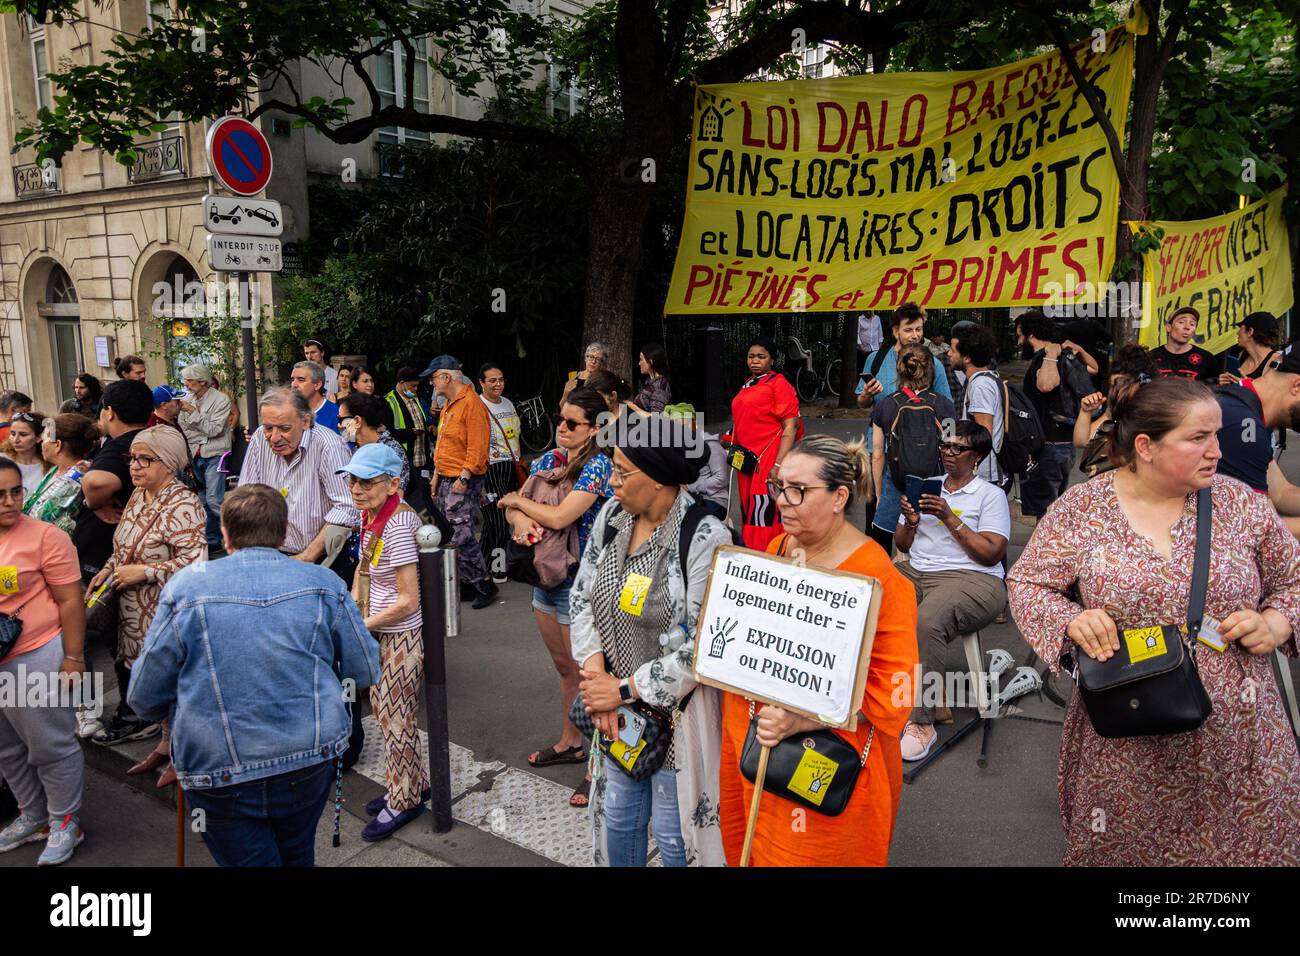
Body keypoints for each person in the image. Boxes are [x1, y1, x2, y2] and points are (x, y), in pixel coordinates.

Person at [1008, 376, 1300, 865]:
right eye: (1198, 437)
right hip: (1126, 744)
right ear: (1145, 445)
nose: (1216, 450)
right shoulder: (1082, 510)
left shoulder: (1241, 505)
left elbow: (1293, 580)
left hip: (1240, 740)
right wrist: (1069, 621)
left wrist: (1277, 622)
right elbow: (1029, 583)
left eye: (1218, 435)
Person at [128, 484, 381, 867]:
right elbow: (364, 667)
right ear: (283, 532)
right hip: (308, 757)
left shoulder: (187, 586)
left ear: (225, 535)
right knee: (297, 853)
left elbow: (143, 696)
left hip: (220, 768)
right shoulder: (324, 584)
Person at [718, 435, 918, 866]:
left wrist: (802, 718)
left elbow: (895, 695)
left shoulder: (880, 581)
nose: (782, 502)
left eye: (799, 491)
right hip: (758, 754)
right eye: (778, 486)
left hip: (825, 768)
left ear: (839, 497)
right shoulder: (776, 549)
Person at [570, 419, 732, 866]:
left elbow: (703, 645)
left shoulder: (705, 537)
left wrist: (621, 690)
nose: (612, 482)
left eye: (622, 472)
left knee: (674, 833)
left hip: (675, 722)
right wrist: (597, 677)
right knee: (618, 820)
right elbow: (582, 597)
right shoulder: (611, 518)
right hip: (615, 717)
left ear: (660, 478)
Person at [498, 388, 612, 808]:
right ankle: (571, 742)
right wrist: (517, 516)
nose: (561, 428)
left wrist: (518, 502)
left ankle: (597, 765)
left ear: (596, 428)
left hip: (580, 581)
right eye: (560, 420)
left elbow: (564, 516)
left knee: (589, 676)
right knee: (565, 668)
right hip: (545, 577)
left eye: (571, 423)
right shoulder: (548, 461)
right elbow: (512, 508)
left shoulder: (598, 465)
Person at [85, 426, 205, 761]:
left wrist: (145, 572)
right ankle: (167, 743)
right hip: (133, 614)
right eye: (132, 458)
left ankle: (184, 755)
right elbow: (125, 546)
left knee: (172, 683)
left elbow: (197, 565)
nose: (135, 466)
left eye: (145, 459)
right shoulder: (140, 494)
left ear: (168, 463)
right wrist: (110, 568)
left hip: (164, 614)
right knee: (153, 682)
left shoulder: (184, 503)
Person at [894, 421, 1010, 760]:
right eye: (944, 445)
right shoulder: (927, 487)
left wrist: (948, 516)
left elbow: (991, 553)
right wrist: (912, 523)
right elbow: (901, 543)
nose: (947, 452)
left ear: (975, 457)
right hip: (918, 569)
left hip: (974, 578)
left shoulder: (990, 495)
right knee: (868, 596)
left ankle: (922, 722)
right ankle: (874, 698)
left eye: (957, 448)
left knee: (929, 619)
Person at [339, 443, 430, 841]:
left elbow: (409, 598)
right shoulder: (373, 514)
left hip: (401, 634)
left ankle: (404, 800)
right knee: (386, 713)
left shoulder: (398, 525)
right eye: (353, 480)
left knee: (394, 719)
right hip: (380, 630)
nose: (356, 488)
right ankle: (411, 784)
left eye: (366, 481)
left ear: (393, 484)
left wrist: (363, 625)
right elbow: (365, 568)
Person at [0, 459, 88, 865]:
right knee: (6, 749)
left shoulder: (46, 537)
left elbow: (71, 600)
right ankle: (33, 816)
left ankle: (65, 821)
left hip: (36, 654)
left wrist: (73, 658)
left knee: (51, 746)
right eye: (0, 494)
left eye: (16, 491)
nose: (10, 501)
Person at [237, 388, 358, 565]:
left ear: (306, 421)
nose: (274, 437)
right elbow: (246, 495)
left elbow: (348, 507)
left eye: (285, 428)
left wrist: (308, 555)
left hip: (320, 558)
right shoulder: (258, 439)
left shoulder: (329, 446)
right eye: (268, 428)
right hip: (268, 553)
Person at [424, 355, 497, 610]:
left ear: (446, 377)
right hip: (447, 477)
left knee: (461, 533)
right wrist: (436, 475)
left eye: (433, 378)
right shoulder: (451, 404)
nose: (432, 383)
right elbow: (444, 443)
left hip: (461, 478)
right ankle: (469, 581)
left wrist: (464, 478)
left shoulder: (471, 404)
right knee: (452, 532)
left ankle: (484, 583)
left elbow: (478, 448)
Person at [869, 344, 956, 556]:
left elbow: (878, 453)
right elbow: (951, 447)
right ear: (930, 371)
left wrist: (880, 494)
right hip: (934, 484)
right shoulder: (944, 405)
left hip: (896, 482)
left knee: (889, 539)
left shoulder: (886, 406)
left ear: (900, 369)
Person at [1015, 309, 1101, 523]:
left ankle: (1044, 555)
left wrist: (1051, 354)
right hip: (1065, 446)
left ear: (1031, 335)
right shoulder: (1065, 358)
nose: (1018, 342)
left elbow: (1046, 385)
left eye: (1020, 336)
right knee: (1054, 509)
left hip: (1049, 447)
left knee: (1046, 514)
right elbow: (1092, 368)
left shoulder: (1049, 358)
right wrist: (1078, 350)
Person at [74, 379, 152, 585]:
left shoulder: (122, 444)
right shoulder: (152, 439)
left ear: (109, 412)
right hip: (139, 546)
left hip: (106, 554)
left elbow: (96, 482)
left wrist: (93, 502)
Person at [729, 337, 801, 550]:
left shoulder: (778, 384)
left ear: (772, 360)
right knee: (750, 510)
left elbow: (791, 426)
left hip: (767, 459)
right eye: (751, 356)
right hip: (746, 460)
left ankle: (765, 558)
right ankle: (754, 553)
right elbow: (747, 418)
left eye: (761, 356)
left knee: (763, 512)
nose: (755, 361)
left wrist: (778, 465)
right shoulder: (748, 384)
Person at [1073, 345, 1159, 479]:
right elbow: (1081, 441)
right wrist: (1085, 412)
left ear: (1141, 382)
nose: (1115, 390)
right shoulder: (1115, 410)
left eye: (1121, 384)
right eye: (1113, 385)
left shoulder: (1159, 414)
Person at [177, 364, 233, 556]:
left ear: (202, 381)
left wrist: (193, 414)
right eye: (185, 380)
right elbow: (184, 427)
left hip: (217, 454)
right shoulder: (186, 398)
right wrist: (201, 430)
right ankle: (212, 540)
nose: (186, 384)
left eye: (190, 380)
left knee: (213, 499)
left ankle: (238, 533)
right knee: (202, 499)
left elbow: (215, 430)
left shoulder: (221, 399)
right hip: (195, 453)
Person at [951, 323, 1007, 490]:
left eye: (953, 350)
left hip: (984, 474)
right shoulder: (986, 378)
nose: (949, 354)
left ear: (967, 357)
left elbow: (984, 432)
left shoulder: (980, 385)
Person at [478, 363, 522, 579]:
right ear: (481, 383)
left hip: (511, 466)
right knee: (497, 520)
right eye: (492, 380)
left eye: (501, 379)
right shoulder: (477, 406)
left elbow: (516, 436)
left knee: (495, 521)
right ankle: (498, 568)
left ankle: (482, 564)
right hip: (490, 468)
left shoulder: (508, 404)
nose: (498, 384)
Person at [24, 413, 98, 536]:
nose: (41, 443)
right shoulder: (56, 470)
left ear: (57, 445)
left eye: (45, 438)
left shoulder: (77, 477)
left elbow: (42, 518)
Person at [382, 366, 432, 515]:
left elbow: (423, 420)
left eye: (417, 386)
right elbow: (388, 433)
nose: (416, 389)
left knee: (423, 500)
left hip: (421, 459)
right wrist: (411, 433)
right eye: (413, 386)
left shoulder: (416, 399)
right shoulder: (388, 401)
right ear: (402, 383)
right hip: (404, 462)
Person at [664, 402, 729, 518]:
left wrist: (691, 487)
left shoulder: (710, 444)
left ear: (695, 423)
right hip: (690, 499)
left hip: (714, 501)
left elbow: (721, 478)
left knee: (680, 518)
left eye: (685, 425)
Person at [339, 393, 411, 490]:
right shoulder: (355, 449)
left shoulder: (391, 450)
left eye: (340, 419)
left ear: (357, 421)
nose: (339, 425)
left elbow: (397, 495)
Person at [1150, 306, 1219, 383]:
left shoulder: (1207, 359)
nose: (1187, 327)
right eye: (1181, 322)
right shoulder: (1152, 356)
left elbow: (1214, 390)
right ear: (1168, 327)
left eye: (1192, 324)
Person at [1220, 311, 1281, 386]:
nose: (1238, 333)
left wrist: (1248, 386)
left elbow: (1275, 395)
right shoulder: (1241, 355)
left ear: (1250, 332)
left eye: (1241, 328)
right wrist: (1223, 382)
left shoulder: (1277, 360)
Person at [0, 412, 52, 495]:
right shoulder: (2, 459)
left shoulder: (49, 464)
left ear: (38, 437)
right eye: (13, 434)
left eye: (23, 434)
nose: (15, 440)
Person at [291, 360, 340, 433]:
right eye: (292, 379)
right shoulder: (288, 411)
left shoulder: (336, 414)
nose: (294, 384)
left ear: (317, 385)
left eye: (301, 380)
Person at [561, 342, 610, 407]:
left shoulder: (603, 381)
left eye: (598, 359)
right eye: (591, 357)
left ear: (602, 363)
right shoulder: (574, 377)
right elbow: (562, 406)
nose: (593, 361)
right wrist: (566, 393)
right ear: (585, 358)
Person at [146, 385, 189, 452]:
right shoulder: (154, 428)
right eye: (177, 401)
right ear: (164, 405)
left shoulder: (171, 418)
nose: (181, 404)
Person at [632, 344, 672, 413]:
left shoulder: (660, 386)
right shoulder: (650, 382)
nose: (639, 363)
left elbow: (656, 418)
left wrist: (632, 406)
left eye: (641, 360)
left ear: (651, 361)